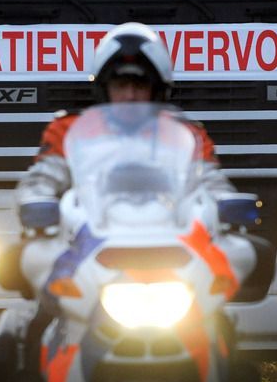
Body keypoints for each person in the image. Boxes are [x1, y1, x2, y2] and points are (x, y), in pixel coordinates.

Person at [12, 22, 234, 378]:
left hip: (170, 243)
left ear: (157, 89)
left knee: (219, 322)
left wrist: (228, 205)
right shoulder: (68, 130)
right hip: (89, 243)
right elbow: (41, 180)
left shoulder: (188, 134)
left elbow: (213, 182)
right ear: (104, 88)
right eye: (121, 84)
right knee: (40, 320)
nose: (130, 95)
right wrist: (38, 205)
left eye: (139, 84)